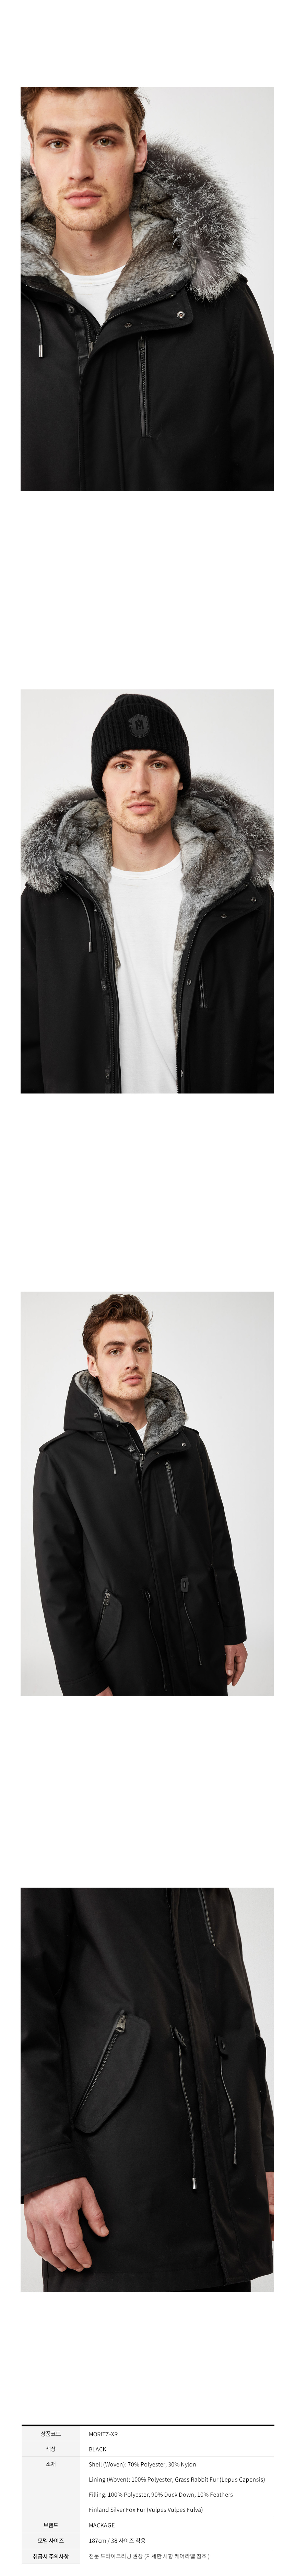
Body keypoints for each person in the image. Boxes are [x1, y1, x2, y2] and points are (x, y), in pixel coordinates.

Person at [21, 1886, 274, 2291]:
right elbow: (21, 1998)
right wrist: (42, 2165)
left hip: (226, 2199)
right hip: (114, 2194)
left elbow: (237, 2023)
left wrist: (263, 2152)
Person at [21, 87, 273, 491]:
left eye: (103, 141)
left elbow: (266, 483)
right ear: (34, 157)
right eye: (57, 143)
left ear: (138, 151)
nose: (79, 170)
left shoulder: (222, 306)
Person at [21, 692, 274, 1095]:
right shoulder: (49, 899)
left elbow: (271, 1051)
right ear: (102, 782)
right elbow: (24, 1049)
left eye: (158, 764)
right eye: (122, 765)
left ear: (179, 779)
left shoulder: (243, 900)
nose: (140, 785)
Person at [32, 1291, 247, 1698]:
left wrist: (232, 1629)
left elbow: (217, 1543)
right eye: (115, 1351)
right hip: (124, 1662)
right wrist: (83, 1682)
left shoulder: (187, 1445)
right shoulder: (62, 1461)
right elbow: (59, 1585)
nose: (131, 1361)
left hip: (199, 1648)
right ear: (93, 1365)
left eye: (141, 1348)